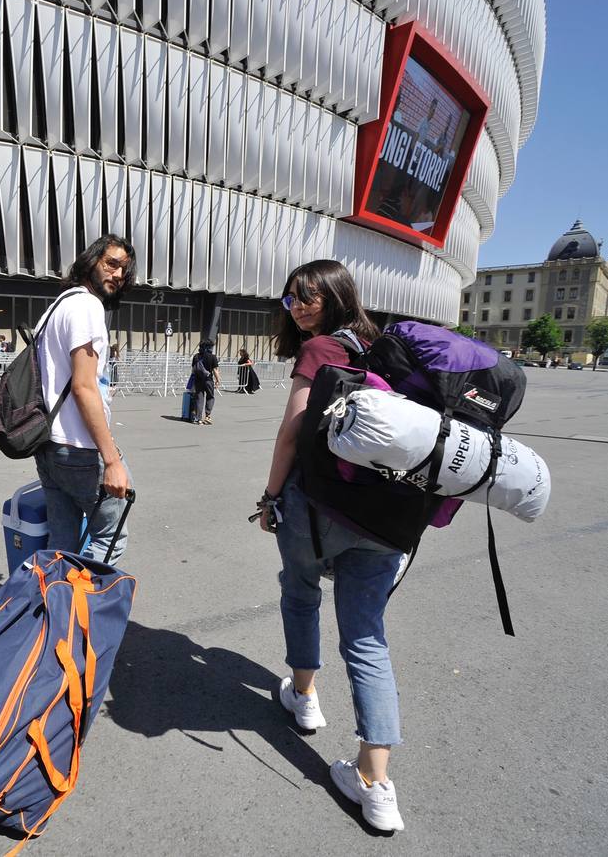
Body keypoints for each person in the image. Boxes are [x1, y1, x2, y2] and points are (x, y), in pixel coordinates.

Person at [256, 258, 406, 832]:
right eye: (291, 297)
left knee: (299, 592)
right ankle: (376, 784)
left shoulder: (320, 350)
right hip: (387, 517)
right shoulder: (387, 346)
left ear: (337, 295)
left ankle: (305, 696)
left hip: (318, 510)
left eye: (309, 296)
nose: (297, 306)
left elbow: (293, 429)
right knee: (367, 639)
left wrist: (270, 496)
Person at [34, 234, 135, 564]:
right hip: (79, 449)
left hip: (48, 444)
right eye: (111, 264)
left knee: (62, 541)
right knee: (110, 534)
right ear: (91, 261)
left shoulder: (56, 307)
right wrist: (112, 460)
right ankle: (80, 610)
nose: (118, 275)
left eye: (124, 270)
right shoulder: (87, 306)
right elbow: (84, 387)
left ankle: (54, 610)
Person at [190, 340, 220, 424]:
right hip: (208, 380)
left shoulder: (196, 356)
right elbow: (215, 370)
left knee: (199, 398)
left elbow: (193, 370)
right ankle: (207, 416)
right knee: (210, 397)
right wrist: (218, 380)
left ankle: (198, 418)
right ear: (210, 347)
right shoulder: (212, 357)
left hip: (198, 380)